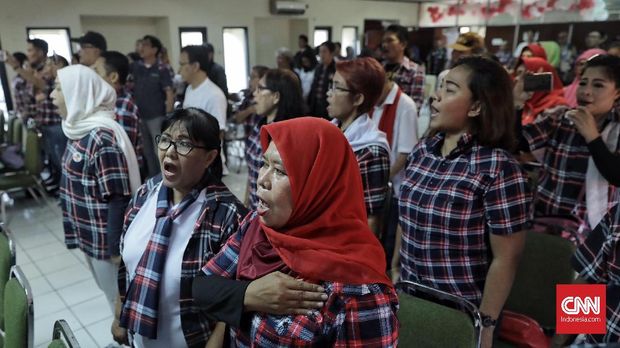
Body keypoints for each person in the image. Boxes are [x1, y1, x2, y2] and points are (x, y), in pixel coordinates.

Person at [193, 117, 399, 347]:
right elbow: (201, 288)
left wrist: (233, 297)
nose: (262, 179)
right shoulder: (258, 227)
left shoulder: (358, 291)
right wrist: (249, 294)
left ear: (317, 185)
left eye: (280, 171)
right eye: (264, 164)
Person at [394, 56, 531, 348]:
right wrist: (394, 269)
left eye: (450, 89)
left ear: (476, 107)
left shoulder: (497, 167)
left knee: (581, 322)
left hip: (458, 311)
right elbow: (406, 216)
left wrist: (487, 325)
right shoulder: (423, 151)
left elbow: (506, 258)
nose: (436, 96)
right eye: (440, 86)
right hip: (412, 298)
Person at [113, 107, 247, 348]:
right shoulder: (146, 193)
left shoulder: (227, 215)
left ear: (209, 157)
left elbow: (233, 299)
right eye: (165, 140)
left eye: (184, 144)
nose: (170, 152)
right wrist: (119, 312)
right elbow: (127, 265)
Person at [52, 65, 140, 317]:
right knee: (109, 294)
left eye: (58, 89)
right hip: (88, 234)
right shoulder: (78, 130)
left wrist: (115, 251)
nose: (52, 96)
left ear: (77, 93)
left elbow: (118, 198)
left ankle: (129, 340)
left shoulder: (101, 138)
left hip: (104, 241)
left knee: (120, 300)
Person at [518, 55, 620, 233]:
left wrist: (592, 136)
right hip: (543, 223)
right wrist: (516, 103)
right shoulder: (560, 118)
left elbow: (616, 175)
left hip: (593, 236)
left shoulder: (617, 129)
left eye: (598, 85)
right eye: (583, 83)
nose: (586, 91)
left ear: (617, 93)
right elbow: (517, 142)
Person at [327, 57, 390, 236]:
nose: (329, 93)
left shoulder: (372, 151)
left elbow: (370, 219)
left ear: (357, 99)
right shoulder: (331, 131)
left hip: (345, 241)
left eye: (336, 88)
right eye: (331, 86)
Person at [370, 75, 418, 265]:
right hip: (380, 184)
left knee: (388, 240)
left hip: (395, 187)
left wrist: (380, 179)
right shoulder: (376, 104)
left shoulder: (405, 105)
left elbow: (405, 153)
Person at [5, 38, 66, 185]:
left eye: (30, 50)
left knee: (61, 159)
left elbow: (42, 87)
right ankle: (58, 184)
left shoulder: (54, 77)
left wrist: (17, 67)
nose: (28, 54)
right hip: (44, 122)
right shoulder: (36, 72)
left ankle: (64, 187)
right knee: (52, 157)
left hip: (56, 123)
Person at [245, 69, 303, 210]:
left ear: (276, 97)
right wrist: (246, 201)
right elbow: (252, 171)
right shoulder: (260, 125)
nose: (254, 94)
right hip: (255, 206)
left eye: (260, 89)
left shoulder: (288, 137)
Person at [92, 50, 144, 174]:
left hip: (123, 172)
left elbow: (122, 151)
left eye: (97, 71)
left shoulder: (123, 106)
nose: (92, 76)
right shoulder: (104, 101)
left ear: (113, 77)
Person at [132, 35, 174, 178]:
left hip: (157, 115)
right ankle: (154, 178)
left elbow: (169, 92)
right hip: (140, 115)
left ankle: (166, 177)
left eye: (146, 45)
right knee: (147, 151)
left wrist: (168, 113)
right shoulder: (136, 66)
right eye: (141, 44)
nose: (141, 47)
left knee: (160, 149)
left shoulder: (162, 68)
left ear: (155, 49)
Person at [513, 57, 568, 125]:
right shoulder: (519, 102)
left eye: (523, 75)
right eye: (517, 74)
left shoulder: (556, 106)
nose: (516, 79)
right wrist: (518, 101)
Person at [382, 24, 425, 109]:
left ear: (403, 44)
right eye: (383, 41)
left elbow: (415, 106)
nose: (384, 45)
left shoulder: (415, 71)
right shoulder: (379, 69)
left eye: (390, 40)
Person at [308, 41, 336, 118]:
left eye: (324, 51)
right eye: (320, 52)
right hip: (315, 104)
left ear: (331, 53)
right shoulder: (318, 68)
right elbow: (313, 87)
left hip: (328, 105)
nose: (321, 55)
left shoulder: (336, 69)